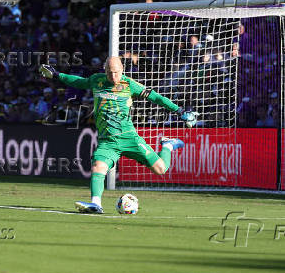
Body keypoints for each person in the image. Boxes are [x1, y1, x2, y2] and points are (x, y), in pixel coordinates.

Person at [39, 57, 198, 214]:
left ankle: (168, 146)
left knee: (161, 169)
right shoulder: (97, 80)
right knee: (98, 167)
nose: (113, 76)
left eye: (116, 72)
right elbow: (78, 81)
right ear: (105, 70)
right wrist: (56, 75)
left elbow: (156, 97)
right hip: (107, 141)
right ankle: (96, 204)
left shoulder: (129, 84)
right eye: (110, 73)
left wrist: (180, 111)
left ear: (122, 70)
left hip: (129, 138)